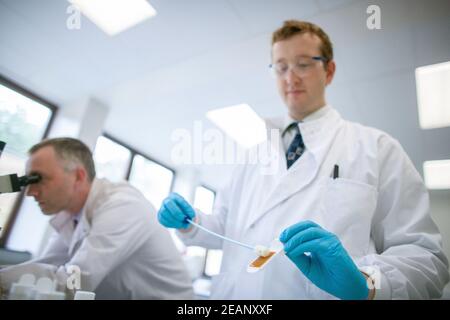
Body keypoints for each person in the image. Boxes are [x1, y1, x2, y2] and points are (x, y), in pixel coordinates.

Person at [158, 20, 449, 299]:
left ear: (329, 71)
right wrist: (191, 222)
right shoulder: (252, 156)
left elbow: (426, 258)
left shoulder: (377, 148)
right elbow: (226, 228)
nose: (290, 77)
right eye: (281, 67)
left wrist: (368, 284)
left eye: (303, 64)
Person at [0, 138, 193, 299]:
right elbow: (48, 265)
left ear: (78, 176)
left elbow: (73, 282)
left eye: (38, 179)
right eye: (27, 181)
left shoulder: (123, 206)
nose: (30, 192)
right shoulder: (71, 214)